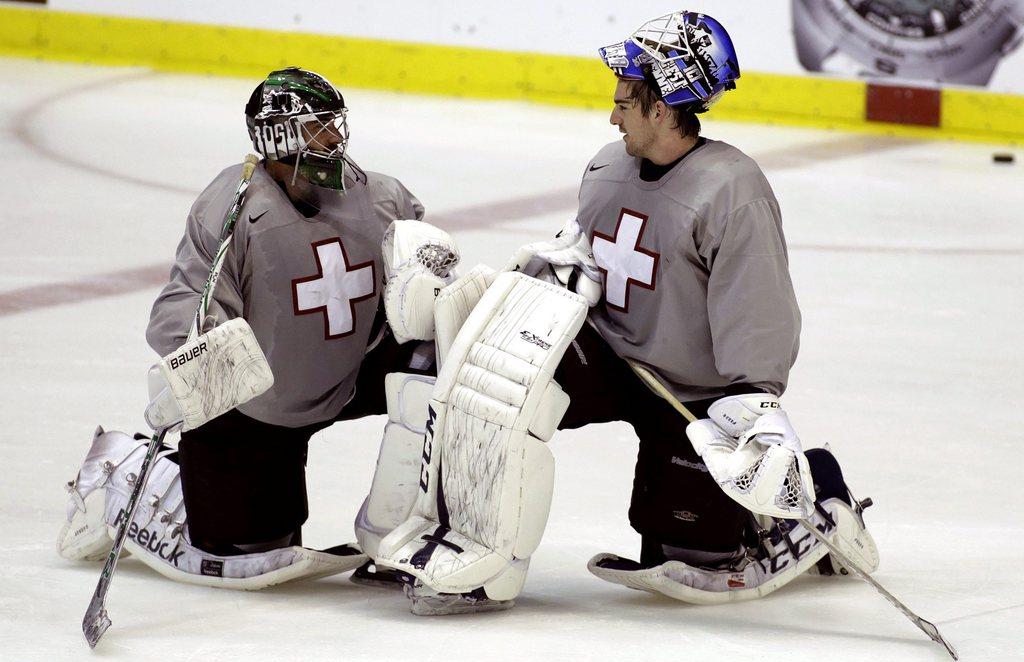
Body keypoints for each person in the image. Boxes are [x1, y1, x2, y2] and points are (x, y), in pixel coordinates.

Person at [373, 11, 878, 610]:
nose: (612, 116)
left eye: (624, 103)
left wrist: (755, 410)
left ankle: (816, 495)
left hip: (691, 390)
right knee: (498, 386)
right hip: (608, 353)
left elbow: (759, 310)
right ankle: (473, 554)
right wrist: (558, 267)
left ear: (661, 109)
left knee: (685, 559)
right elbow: (586, 246)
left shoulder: (732, 191)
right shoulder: (609, 166)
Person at [58, 67, 436, 588]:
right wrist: (197, 365)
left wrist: (429, 279)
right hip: (257, 402)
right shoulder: (232, 207)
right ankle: (128, 472)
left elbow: (423, 274)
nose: (335, 138)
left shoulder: (380, 195)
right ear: (277, 135)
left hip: (347, 375)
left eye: (334, 124)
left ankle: (407, 533)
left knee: (438, 370)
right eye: (318, 127)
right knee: (252, 544)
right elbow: (182, 304)